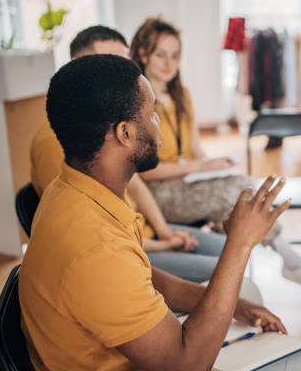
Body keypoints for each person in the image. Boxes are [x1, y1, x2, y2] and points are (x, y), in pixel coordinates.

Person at [19, 54, 301, 370]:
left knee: (246, 294)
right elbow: (186, 364)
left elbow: (145, 277)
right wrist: (239, 244)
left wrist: (238, 308)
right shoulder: (96, 248)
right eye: (153, 114)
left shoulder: (71, 190)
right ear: (125, 133)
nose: (158, 125)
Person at [129, 17, 301, 291]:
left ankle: (269, 259)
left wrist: (215, 165)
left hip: (182, 183)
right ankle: (288, 259)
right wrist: (198, 168)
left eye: (175, 56)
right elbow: (143, 171)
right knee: (235, 195)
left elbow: (194, 150)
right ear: (143, 54)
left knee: (243, 186)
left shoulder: (182, 96)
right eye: (161, 55)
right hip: (155, 195)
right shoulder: (138, 101)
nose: (169, 63)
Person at [29, 25, 224, 283]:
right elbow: (97, 238)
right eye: (110, 66)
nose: (124, 76)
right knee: (230, 274)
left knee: (227, 254)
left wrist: (165, 233)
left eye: (125, 64)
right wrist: (163, 245)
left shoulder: (115, 124)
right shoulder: (63, 141)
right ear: (80, 67)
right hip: (123, 249)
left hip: (143, 233)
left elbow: (136, 185)